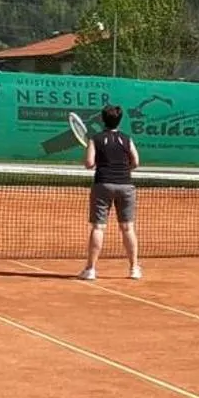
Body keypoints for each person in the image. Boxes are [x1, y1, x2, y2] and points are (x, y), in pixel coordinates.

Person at [80, 104, 142, 282]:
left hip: (103, 185)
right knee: (128, 227)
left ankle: (90, 270)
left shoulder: (95, 139)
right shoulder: (126, 139)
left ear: (102, 119)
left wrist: (96, 160)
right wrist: (123, 169)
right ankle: (134, 269)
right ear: (120, 120)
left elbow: (89, 163)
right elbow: (136, 162)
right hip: (125, 185)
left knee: (99, 227)